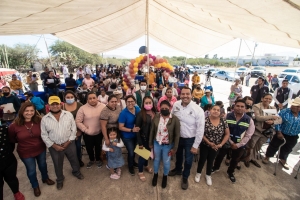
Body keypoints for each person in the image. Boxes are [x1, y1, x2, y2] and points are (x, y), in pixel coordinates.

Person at [8, 102, 55, 197]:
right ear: (22, 111)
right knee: (31, 170)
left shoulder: (39, 120)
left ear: (35, 111)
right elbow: (12, 139)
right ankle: (35, 186)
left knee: (43, 165)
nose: (29, 113)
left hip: (40, 148)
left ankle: (45, 178)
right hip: (25, 152)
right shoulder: (14, 126)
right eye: (26, 111)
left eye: (32, 110)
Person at [41, 96, 84, 190]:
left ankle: (76, 172)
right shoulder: (45, 119)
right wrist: (54, 146)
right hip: (54, 146)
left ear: (61, 104)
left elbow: (74, 129)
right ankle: (60, 179)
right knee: (57, 163)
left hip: (69, 143)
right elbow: (44, 135)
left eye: (57, 104)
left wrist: (69, 141)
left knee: (74, 160)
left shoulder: (68, 114)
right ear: (49, 106)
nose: (55, 106)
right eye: (53, 104)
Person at [168, 86, 205, 190]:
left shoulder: (198, 110)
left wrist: (196, 145)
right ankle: (178, 169)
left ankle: (185, 177)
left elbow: (200, 129)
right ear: (180, 95)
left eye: (187, 94)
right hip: (178, 138)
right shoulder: (176, 105)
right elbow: (171, 118)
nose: (185, 96)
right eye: (183, 94)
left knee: (188, 160)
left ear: (191, 95)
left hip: (190, 139)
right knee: (178, 156)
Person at [212, 99, 255, 183]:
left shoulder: (249, 120)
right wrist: (231, 142)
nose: (239, 108)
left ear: (245, 108)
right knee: (220, 155)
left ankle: (230, 172)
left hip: (240, 144)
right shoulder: (226, 116)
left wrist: (238, 145)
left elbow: (248, 135)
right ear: (234, 106)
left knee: (235, 159)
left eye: (242, 106)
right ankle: (215, 167)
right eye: (237, 106)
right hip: (226, 141)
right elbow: (222, 130)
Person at [195, 105, 230, 186]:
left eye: (218, 110)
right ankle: (198, 173)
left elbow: (227, 134)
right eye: (214, 109)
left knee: (211, 160)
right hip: (205, 144)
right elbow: (200, 133)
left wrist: (221, 144)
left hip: (216, 146)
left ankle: (208, 175)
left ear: (220, 112)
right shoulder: (204, 120)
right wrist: (209, 142)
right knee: (202, 159)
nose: (216, 111)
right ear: (210, 110)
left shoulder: (223, 121)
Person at [244, 93, 281, 168]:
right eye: (266, 98)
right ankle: (246, 158)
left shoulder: (273, 108)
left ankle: (252, 158)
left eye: (270, 99)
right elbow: (258, 118)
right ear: (262, 98)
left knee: (258, 146)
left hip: (266, 132)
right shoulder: (256, 106)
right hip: (257, 130)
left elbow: (279, 120)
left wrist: (273, 121)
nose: (268, 100)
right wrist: (271, 116)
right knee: (251, 145)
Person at [149, 100, 180, 188]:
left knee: (166, 162)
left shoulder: (175, 119)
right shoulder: (156, 117)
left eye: (166, 108)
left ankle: (165, 176)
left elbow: (177, 135)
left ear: (170, 108)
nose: (164, 109)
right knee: (156, 160)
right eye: (162, 108)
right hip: (157, 143)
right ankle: (155, 175)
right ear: (159, 108)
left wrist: (175, 148)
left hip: (168, 145)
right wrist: (150, 142)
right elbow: (152, 130)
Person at [262, 97, 300, 169]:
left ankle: (283, 159)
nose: (292, 106)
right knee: (274, 145)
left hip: (293, 135)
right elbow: (277, 122)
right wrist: (278, 132)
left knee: (288, 148)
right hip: (282, 133)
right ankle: (267, 157)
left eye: (295, 106)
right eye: (293, 105)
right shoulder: (284, 112)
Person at [76, 92, 105, 168]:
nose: (92, 100)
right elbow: (78, 121)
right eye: (90, 98)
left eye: (94, 98)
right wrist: (85, 130)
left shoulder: (103, 106)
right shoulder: (82, 108)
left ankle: (98, 160)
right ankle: (91, 160)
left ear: (97, 98)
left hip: (99, 132)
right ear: (87, 100)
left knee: (98, 147)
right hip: (87, 134)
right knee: (89, 148)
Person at [0, 124, 25, 200]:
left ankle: (16, 192)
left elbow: (11, 142)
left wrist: (7, 153)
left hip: (8, 159)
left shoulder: (4, 129)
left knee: (12, 178)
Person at [118, 95, 141, 175]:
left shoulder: (138, 109)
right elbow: (120, 127)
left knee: (135, 150)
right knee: (131, 152)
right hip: (127, 136)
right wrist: (131, 130)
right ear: (126, 102)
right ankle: (130, 166)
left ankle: (133, 162)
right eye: (128, 101)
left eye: (132, 101)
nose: (130, 103)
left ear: (135, 102)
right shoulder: (123, 113)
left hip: (136, 135)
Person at [135, 96, 156, 182]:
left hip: (153, 139)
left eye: (149, 103)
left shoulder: (155, 112)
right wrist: (140, 143)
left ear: (152, 103)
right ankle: (140, 171)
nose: (148, 104)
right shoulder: (140, 114)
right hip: (144, 139)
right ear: (143, 104)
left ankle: (146, 166)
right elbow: (137, 129)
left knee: (148, 154)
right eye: (146, 103)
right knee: (143, 156)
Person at [62, 91, 84, 167]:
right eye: (68, 97)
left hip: (78, 130)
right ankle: (73, 161)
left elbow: (83, 119)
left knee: (77, 146)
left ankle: (79, 159)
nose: (70, 99)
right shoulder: (62, 107)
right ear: (64, 98)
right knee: (70, 147)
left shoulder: (79, 105)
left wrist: (79, 131)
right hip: (67, 131)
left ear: (74, 97)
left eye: (71, 97)